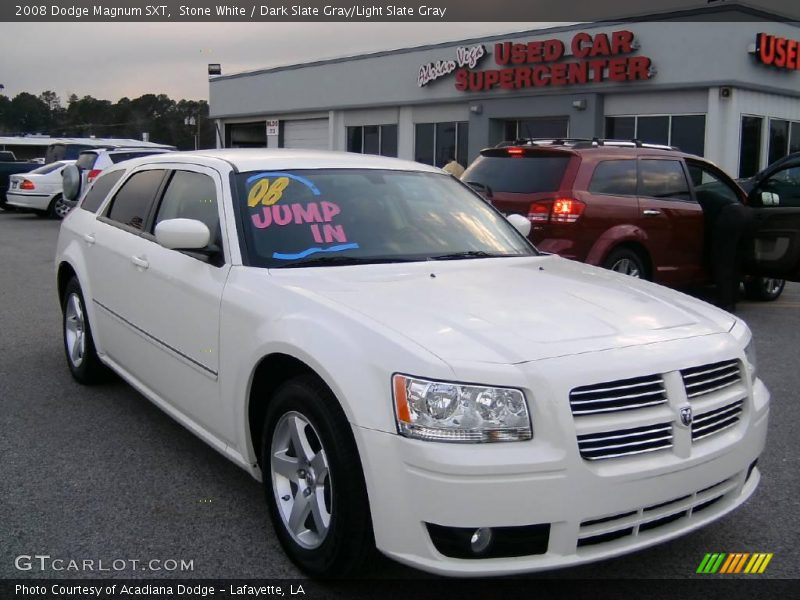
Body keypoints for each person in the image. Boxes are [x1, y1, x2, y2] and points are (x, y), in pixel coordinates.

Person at [695, 189, 753, 311]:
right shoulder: (705, 194)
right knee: (735, 262)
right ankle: (733, 297)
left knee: (723, 262)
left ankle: (725, 303)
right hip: (745, 213)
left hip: (729, 216)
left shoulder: (693, 198)